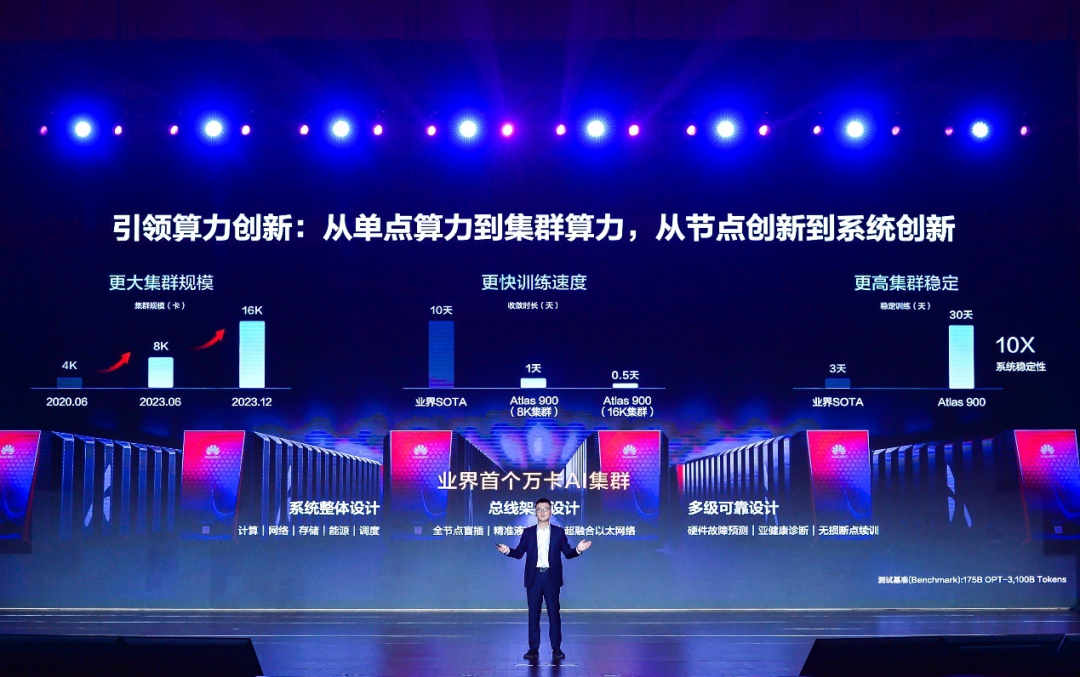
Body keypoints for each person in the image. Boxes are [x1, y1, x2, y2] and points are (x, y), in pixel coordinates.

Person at [495, 497, 592, 661]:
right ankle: (533, 648)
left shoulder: (559, 532)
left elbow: (568, 553)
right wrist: (507, 551)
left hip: (551, 577)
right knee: (533, 614)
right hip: (533, 577)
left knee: (554, 613)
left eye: (545, 509)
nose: (542, 512)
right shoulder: (528, 533)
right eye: (539, 509)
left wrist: (578, 549)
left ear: (550, 512)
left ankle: (556, 648)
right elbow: (519, 553)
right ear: (535, 512)